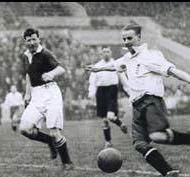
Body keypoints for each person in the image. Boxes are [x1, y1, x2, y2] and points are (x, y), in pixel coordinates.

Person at [111, 23, 190, 177]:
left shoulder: (151, 56)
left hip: (151, 101)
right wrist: (96, 69)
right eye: (124, 39)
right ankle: (168, 172)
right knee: (140, 144)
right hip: (136, 106)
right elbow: (114, 66)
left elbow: (174, 71)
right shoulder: (127, 58)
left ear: (139, 38)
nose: (127, 41)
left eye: (130, 38)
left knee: (157, 136)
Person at [18, 28, 73, 168]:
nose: (32, 42)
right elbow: (28, 75)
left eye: (34, 39)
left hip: (50, 93)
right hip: (36, 95)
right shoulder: (25, 56)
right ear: (25, 41)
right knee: (25, 129)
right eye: (29, 40)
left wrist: (51, 74)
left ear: (39, 39)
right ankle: (49, 142)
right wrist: (27, 93)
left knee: (55, 132)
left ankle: (67, 162)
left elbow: (61, 69)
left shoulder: (45, 53)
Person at [86, 45, 129, 148]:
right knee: (104, 120)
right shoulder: (97, 66)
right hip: (100, 92)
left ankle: (120, 124)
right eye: (104, 51)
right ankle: (108, 141)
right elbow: (92, 81)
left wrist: (128, 90)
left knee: (110, 116)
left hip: (111, 91)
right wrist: (91, 93)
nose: (106, 53)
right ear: (101, 54)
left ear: (111, 53)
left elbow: (123, 78)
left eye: (107, 51)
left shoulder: (116, 64)